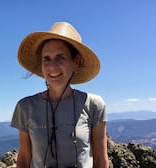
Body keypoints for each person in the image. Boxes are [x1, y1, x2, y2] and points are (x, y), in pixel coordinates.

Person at [11, 22, 109, 168]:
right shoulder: (25, 107)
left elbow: (101, 161)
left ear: (75, 62)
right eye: (47, 59)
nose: (52, 66)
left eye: (60, 57)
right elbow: (23, 160)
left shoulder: (93, 104)